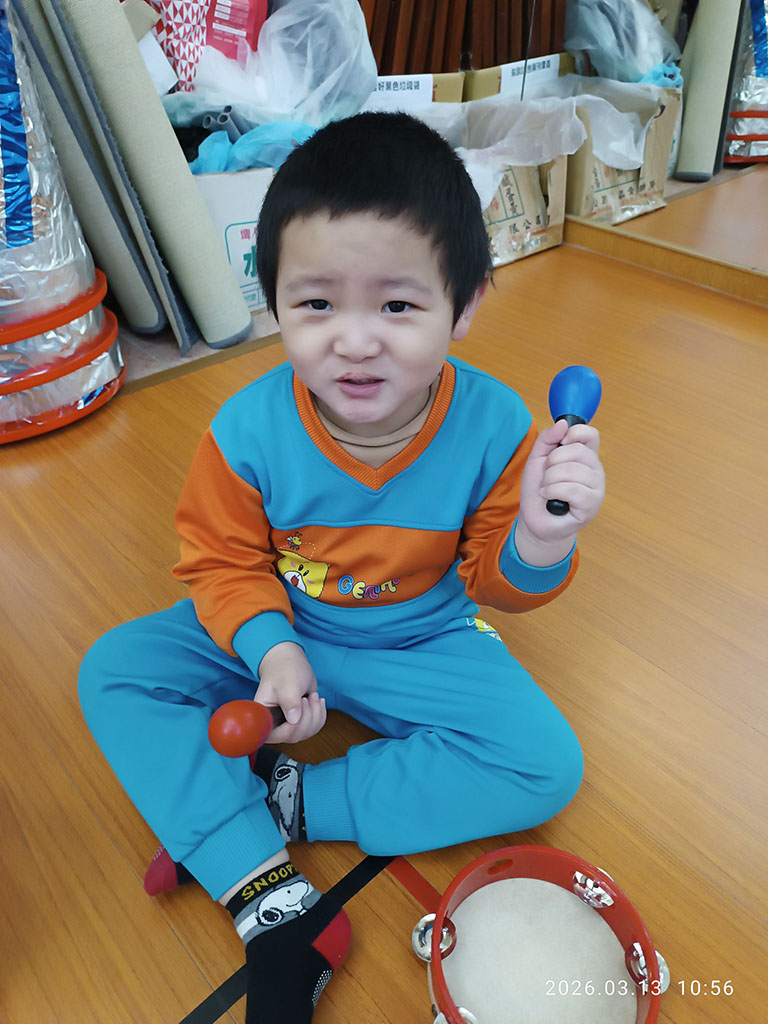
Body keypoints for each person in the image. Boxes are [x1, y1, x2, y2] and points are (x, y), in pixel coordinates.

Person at [79, 111, 605, 1023]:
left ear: (466, 305)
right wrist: (270, 646)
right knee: (115, 670)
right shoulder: (246, 430)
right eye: (317, 305)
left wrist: (543, 537)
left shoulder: (496, 426)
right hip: (287, 624)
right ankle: (270, 899)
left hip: (423, 634)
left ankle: (276, 804)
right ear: (273, 298)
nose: (354, 342)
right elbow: (221, 561)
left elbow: (497, 586)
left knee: (545, 766)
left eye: (397, 306)